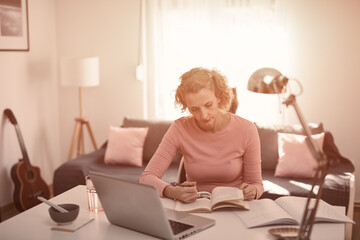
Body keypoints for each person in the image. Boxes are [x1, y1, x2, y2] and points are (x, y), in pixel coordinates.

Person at [139, 67, 263, 203]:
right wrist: (172, 191)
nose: (203, 115)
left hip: (235, 206)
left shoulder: (246, 129)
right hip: (198, 206)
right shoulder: (179, 128)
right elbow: (147, 177)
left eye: (208, 105)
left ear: (219, 97)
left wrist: (253, 190)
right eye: (194, 109)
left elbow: (256, 184)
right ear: (186, 106)